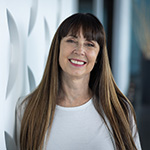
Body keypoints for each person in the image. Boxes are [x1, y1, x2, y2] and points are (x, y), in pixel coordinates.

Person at [15, 13, 142, 150]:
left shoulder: (120, 110)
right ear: (57, 48)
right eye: (71, 40)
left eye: (89, 44)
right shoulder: (27, 108)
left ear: (98, 56)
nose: (80, 50)